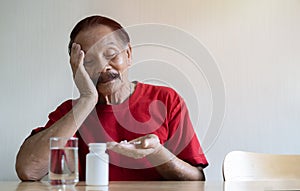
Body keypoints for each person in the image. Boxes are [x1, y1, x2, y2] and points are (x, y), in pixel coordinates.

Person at [15, 15, 208, 181]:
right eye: (88, 61)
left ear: (129, 54)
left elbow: (197, 178)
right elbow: (28, 170)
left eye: (111, 55)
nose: (102, 68)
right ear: (76, 68)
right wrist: (87, 99)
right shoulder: (70, 113)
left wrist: (157, 153)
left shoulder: (166, 100)